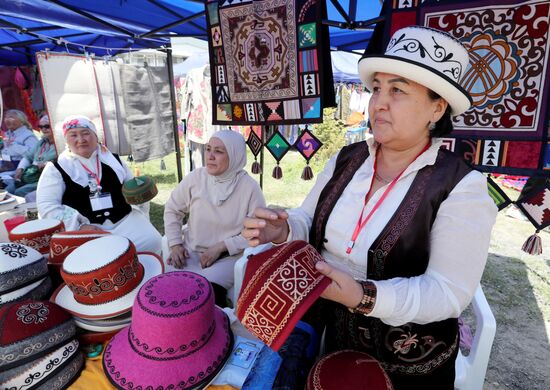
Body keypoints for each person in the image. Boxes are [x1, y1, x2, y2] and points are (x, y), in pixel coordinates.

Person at [242, 26, 497, 389]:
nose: (378, 102)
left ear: (437, 107)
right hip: (331, 339)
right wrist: (283, 230)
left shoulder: (460, 187)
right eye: (376, 88)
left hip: (406, 361)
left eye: (398, 90)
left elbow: (447, 292)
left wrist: (363, 297)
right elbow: (306, 220)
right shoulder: (347, 159)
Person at [164, 129, 265, 305]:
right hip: (191, 252)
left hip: (227, 258)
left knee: (205, 295)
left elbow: (257, 231)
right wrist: (175, 244)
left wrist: (221, 247)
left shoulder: (249, 188)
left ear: (234, 155)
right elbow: (172, 208)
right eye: (208, 149)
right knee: (169, 293)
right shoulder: (196, 178)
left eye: (218, 151)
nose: (210, 156)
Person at [36, 115, 161, 254]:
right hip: (87, 227)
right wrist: (79, 226)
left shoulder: (113, 159)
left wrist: (139, 192)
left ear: (96, 136)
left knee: (152, 241)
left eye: (86, 133)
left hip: (124, 220)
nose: (81, 140)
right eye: (73, 135)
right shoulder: (56, 168)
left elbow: (131, 188)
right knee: (103, 256)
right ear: (66, 140)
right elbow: (47, 205)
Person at [5, 115, 56, 197]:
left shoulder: (59, 143)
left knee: (20, 192)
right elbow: (28, 156)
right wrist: (20, 168)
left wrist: (48, 164)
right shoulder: (42, 142)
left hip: (46, 177)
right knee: (8, 191)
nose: (43, 129)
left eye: (47, 126)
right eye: (41, 127)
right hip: (31, 175)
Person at [0, 109, 38, 174]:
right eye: (6, 117)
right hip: (5, 165)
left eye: (11, 117)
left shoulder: (28, 135)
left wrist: (13, 145)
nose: (7, 120)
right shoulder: (7, 134)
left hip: (19, 168)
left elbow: (32, 154)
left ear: (21, 121)